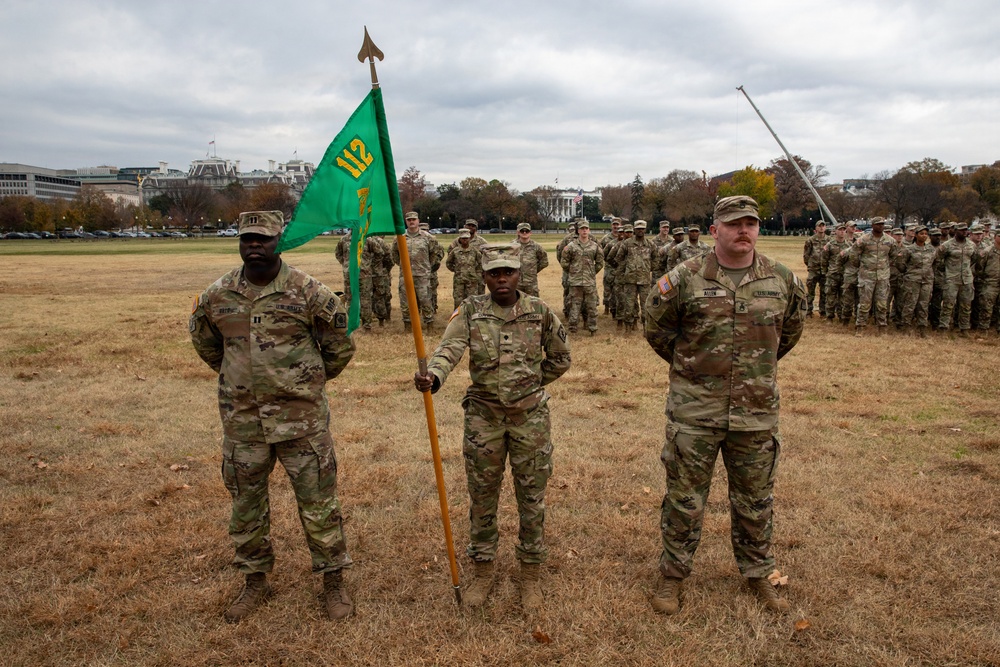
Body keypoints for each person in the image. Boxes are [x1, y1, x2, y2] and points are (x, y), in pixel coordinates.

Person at [190, 210, 356, 623]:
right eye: (247, 239)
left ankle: (333, 581)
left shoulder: (308, 292)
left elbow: (339, 345)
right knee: (246, 506)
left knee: (319, 505)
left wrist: (305, 383)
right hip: (243, 423)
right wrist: (242, 380)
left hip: (301, 422)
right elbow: (208, 346)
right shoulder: (218, 295)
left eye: (263, 239)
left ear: (278, 241)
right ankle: (255, 581)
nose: (254, 246)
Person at [644, 195, 806, 615]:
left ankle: (758, 575)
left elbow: (787, 334)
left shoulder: (781, 279)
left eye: (750, 223)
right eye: (734, 224)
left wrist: (753, 372)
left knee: (755, 500)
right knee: (684, 498)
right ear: (715, 230)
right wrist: (694, 370)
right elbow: (657, 330)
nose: (743, 231)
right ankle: (672, 576)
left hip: (755, 412)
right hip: (695, 411)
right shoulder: (684, 278)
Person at [413, 245, 571, 614]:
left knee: (531, 496)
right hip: (483, 418)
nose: (502, 279)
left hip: (529, 418)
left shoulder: (540, 311)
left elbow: (561, 358)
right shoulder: (470, 310)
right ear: (484, 277)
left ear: (520, 274)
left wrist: (529, 384)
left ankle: (530, 572)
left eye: (509, 273)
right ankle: (483, 570)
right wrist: (434, 375)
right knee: (482, 495)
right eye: (494, 274)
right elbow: (450, 346)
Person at [392, 211, 441, 332]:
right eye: (409, 220)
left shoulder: (428, 237)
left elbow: (435, 254)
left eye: (414, 219)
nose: (411, 222)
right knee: (406, 302)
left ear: (418, 221)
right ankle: (408, 326)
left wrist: (426, 267)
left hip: (422, 275)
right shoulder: (399, 237)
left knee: (425, 300)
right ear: (406, 221)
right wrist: (404, 266)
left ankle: (429, 325)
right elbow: (394, 255)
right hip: (406, 276)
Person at [609, 219, 657, 331]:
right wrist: (626, 270)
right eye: (638, 229)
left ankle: (645, 327)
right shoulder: (627, 243)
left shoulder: (650, 244)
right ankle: (628, 327)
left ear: (645, 229)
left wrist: (648, 268)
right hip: (630, 280)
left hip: (644, 280)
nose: (640, 231)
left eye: (642, 229)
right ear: (634, 229)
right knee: (629, 305)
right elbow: (619, 258)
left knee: (645, 305)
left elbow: (656, 258)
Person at [560, 220, 606, 335]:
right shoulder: (571, 246)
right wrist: (573, 272)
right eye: (582, 229)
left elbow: (600, 262)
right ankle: (573, 328)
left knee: (591, 306)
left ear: (589, 230)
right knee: (574, 305)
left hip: (589, 281)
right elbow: (564, 262)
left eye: (586, 228)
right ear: (578, 231)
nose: (584, 230)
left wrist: (591, 272)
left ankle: (592, 328)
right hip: (575, 282)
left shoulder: (594, 246)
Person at [445, 229, 483, 308]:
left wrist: (476, 272)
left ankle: (472, 317)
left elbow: (480, 263)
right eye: (463, 238)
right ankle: (458, 317)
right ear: (460, 239)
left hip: (472, 280)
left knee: (472, 300)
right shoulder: (455, 251)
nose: (465, 240)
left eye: (466, 238)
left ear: (469, 238)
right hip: (459, 280)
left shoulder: (474, 251)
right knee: (458, 300)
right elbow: (448, 263)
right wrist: (456, 270)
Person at [511, 222, 549, 297]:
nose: (524, 233)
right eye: (522, 231)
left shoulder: (536, 246)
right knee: (515, 304)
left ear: (530, 233)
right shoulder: (512, 246)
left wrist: (533, 270)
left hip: (531, 283)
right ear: (518, 232)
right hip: (516, 282)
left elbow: (544, 261)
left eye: (527, 231)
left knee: (533, 305)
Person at [802, 221, 828, 317]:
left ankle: (823, 311)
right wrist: (810, 265)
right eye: (819, 226)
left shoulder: (829, 240)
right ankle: (808, 311)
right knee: (810, 292)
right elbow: (806, 255)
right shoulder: (810, 240)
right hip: (814, 269)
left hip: (824, 270)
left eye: (823, 226)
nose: (821, 228)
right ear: (816, 228)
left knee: (824, 291)